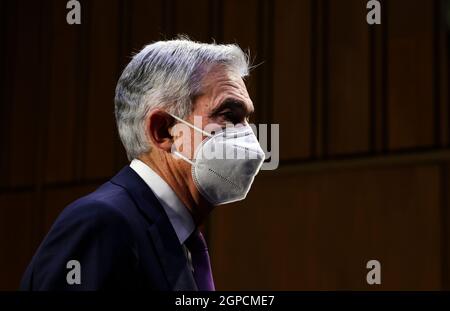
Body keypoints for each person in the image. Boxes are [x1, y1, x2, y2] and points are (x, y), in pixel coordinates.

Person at [20, 38, 265, 290]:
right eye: (228, 115)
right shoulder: (102, 223)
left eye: (246, 119)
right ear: (164, 131)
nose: (249, 137)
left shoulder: (180, 239)